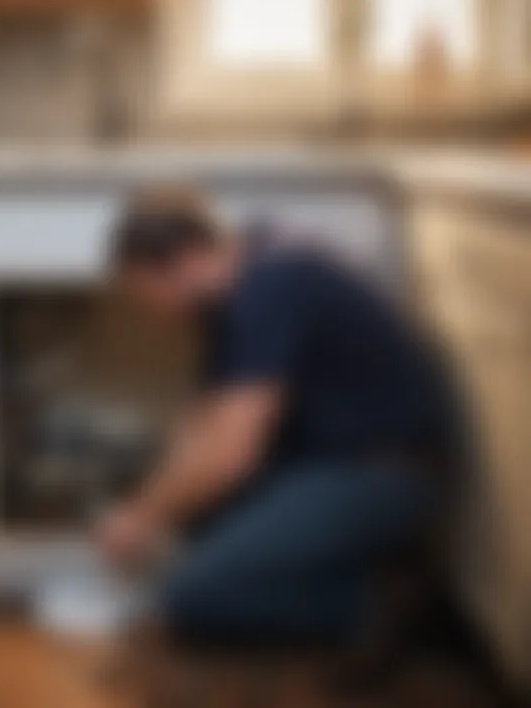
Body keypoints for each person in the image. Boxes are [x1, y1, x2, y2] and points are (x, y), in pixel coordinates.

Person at [97, 187, 455, 647]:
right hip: (326, 457)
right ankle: (351, 563)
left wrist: (138, 518)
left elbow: (230, 455)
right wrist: (153, 503)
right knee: (192, 517)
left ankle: (382, 601)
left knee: (195, 597)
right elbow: (205, 419)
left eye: (146, 293)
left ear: (184, 260)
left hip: (380, 471)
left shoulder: (266, 292)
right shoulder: (242, 269)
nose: (151, 312)